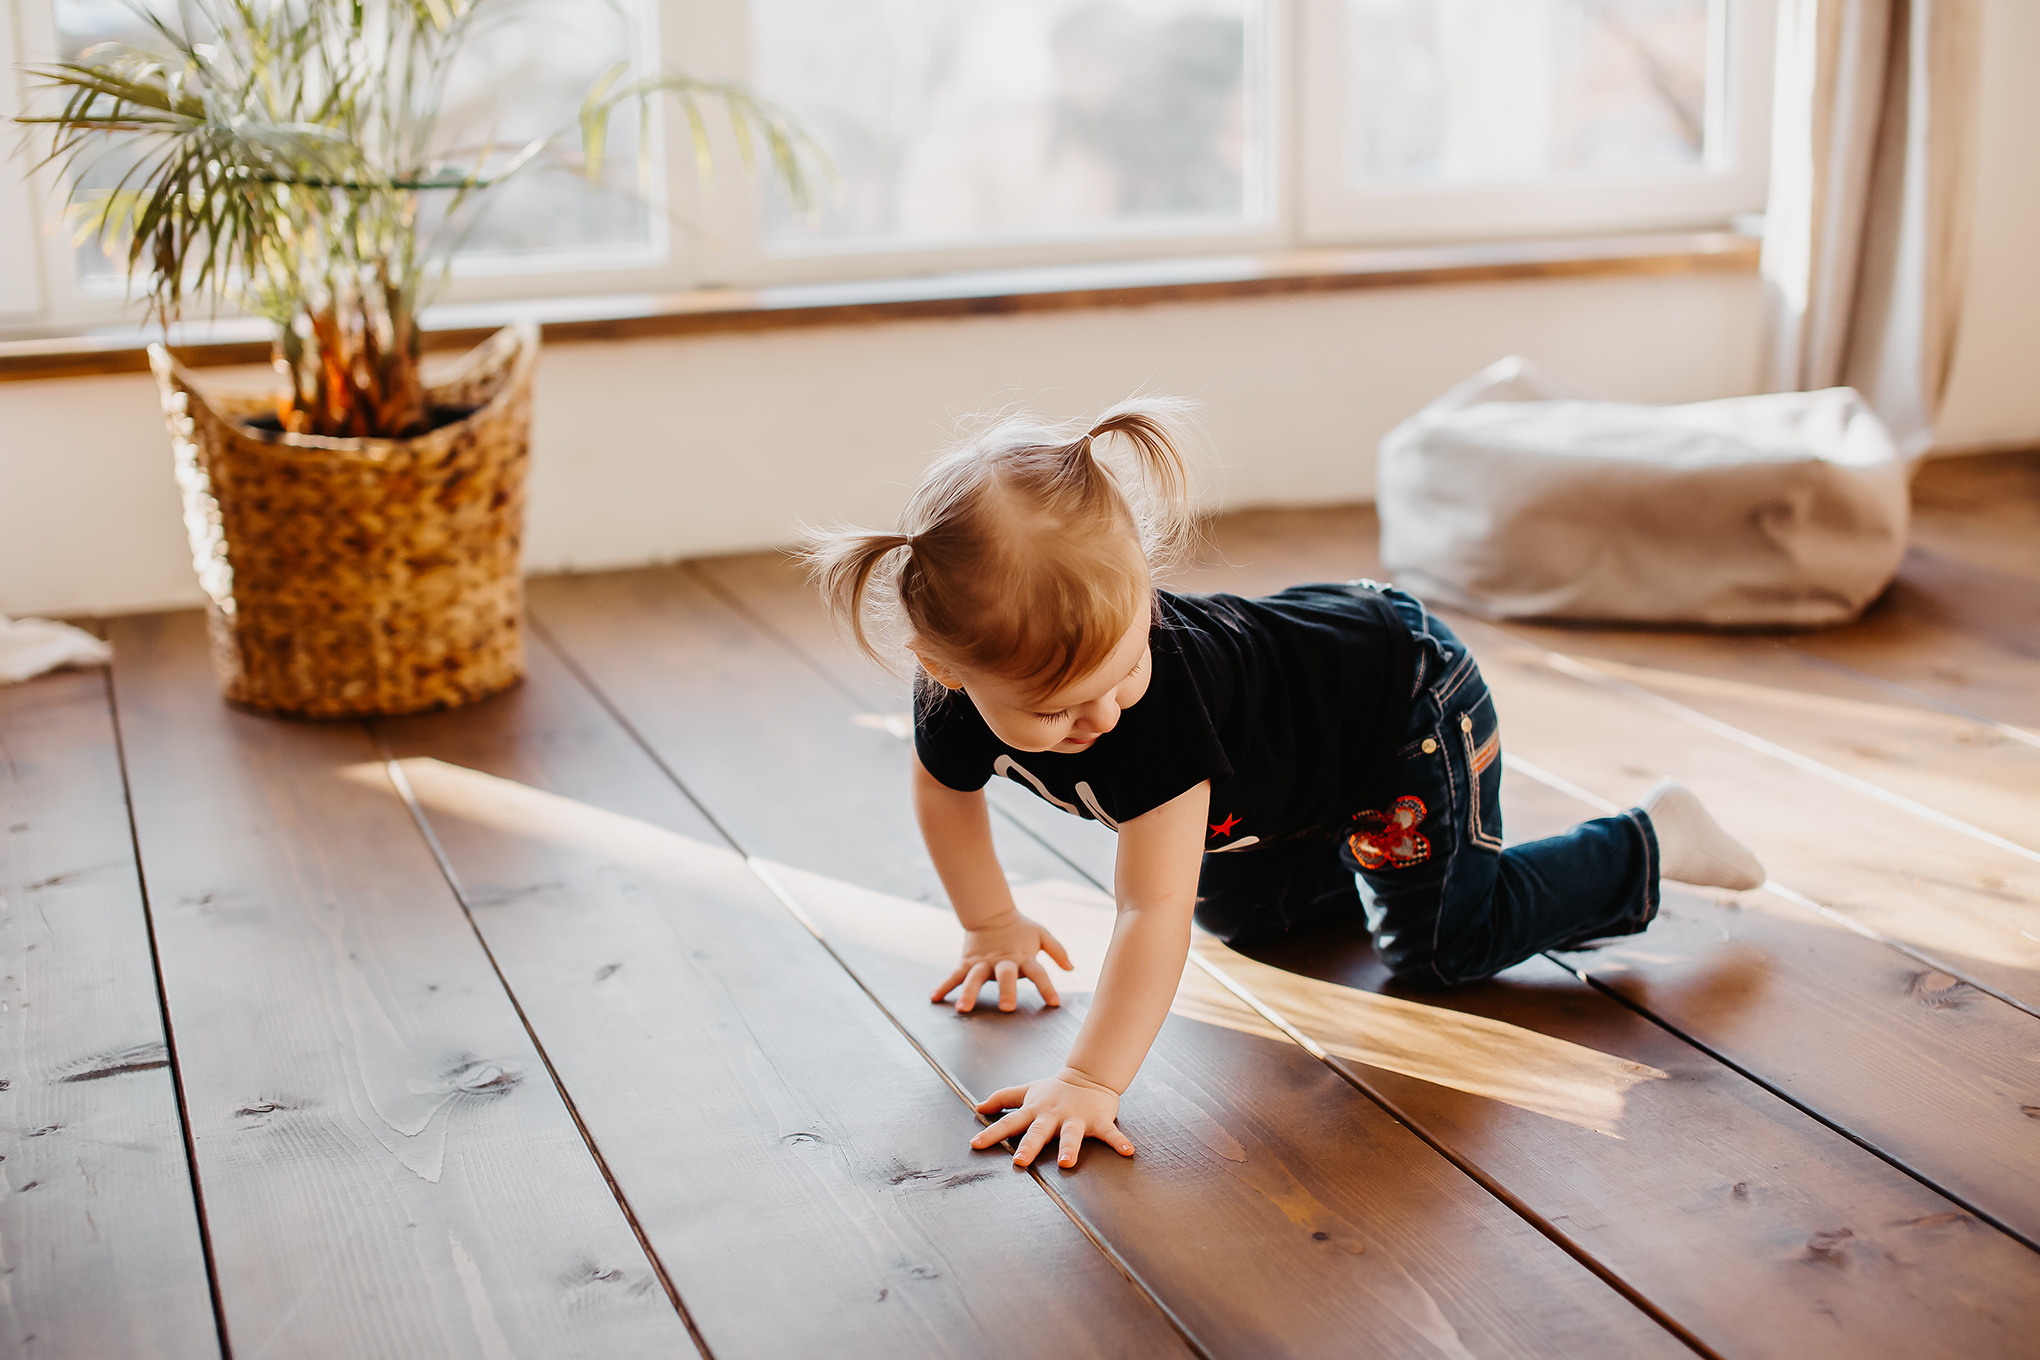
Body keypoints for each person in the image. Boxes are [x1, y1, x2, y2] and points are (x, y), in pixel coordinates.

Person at [800, 398, 1764, 1173]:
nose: (1100, 721)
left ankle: (1649, 840)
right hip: (1284, 786)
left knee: (1437, 944)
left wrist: (1092, 1079)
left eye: (1125, 669)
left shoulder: (1159, 720)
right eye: (1057, 713)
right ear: (950, 670)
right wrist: (990, 923)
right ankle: (1404, 858)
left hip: (1398, 707)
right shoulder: (951, 696)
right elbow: (945, 795)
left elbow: (1147, 913)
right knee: (1244, 917)